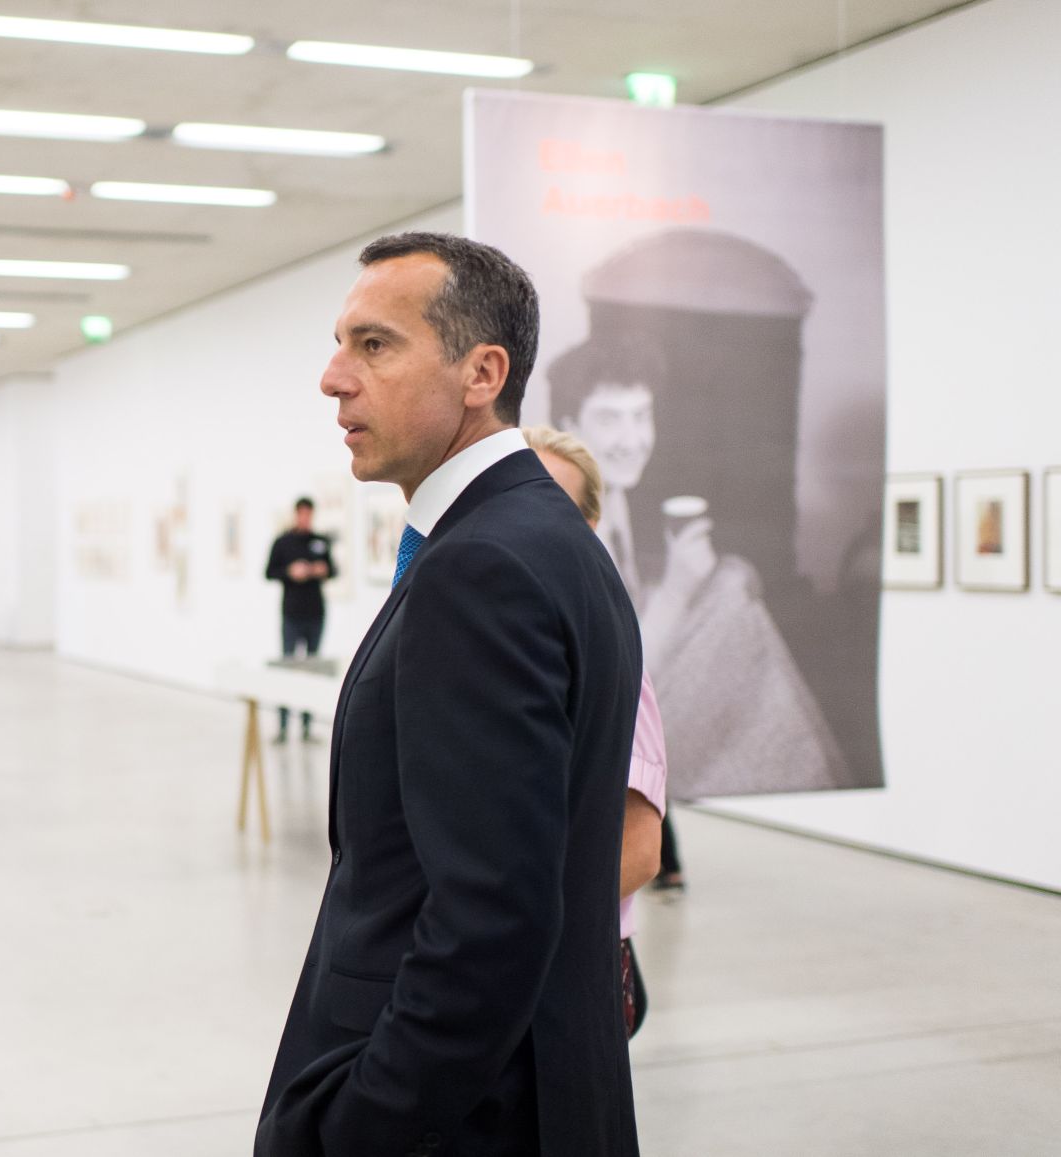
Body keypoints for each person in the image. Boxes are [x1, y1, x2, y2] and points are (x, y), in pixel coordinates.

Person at [257, 232, 642, 1156]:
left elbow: (492, 917)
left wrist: (361, 1120)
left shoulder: (482, 567)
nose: (333, 377)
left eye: (374, 344)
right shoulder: (543, 538)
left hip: (466, 1119)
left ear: (483, 372)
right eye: (340, 342)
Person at [548, 334, 844, 797]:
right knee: (732, 609)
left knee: (730, 581)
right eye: (609, 420)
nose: (632, 440)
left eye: (641, 416)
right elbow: (606, 676)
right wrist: (679, 590)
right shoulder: (562, 517)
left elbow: (618, 602)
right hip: (597, 727)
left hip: (629, 696)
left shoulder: (612, 495)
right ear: (569, 425)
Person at [524, 425, 668, 1038]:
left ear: (587, 529)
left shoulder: (607, 658)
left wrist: (505, 928)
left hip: (573, 962)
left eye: (550, 507)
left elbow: (638, 849)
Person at [264, 496, 336, 742]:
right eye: (302, 514)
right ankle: (283, 726)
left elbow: (333, 569)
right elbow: (269, 572)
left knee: (312, 669)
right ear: (296, 514)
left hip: (315, 613)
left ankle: (306, 726)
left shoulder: (320, 541)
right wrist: (290, 572)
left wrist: (321, 570)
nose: (305, 518)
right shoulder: (283, 542)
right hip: (291, 615)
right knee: (287, 667)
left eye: (309, 514)